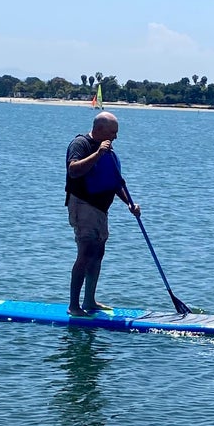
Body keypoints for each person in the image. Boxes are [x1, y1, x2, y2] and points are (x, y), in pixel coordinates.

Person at [65, 111, 140, 316]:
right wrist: (97, 154)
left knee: (98, 253)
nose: (115, 137)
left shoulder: (108, 150)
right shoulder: (80, 144)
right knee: (85, 253)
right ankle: (73, 306)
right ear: (99, 130)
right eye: (112, 132)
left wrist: (129, 205)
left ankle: (89, 300)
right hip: (83, 205)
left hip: (100, 210)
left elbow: (114, 181)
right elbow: (73, 170)